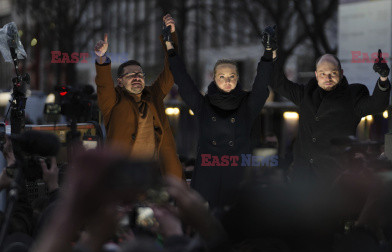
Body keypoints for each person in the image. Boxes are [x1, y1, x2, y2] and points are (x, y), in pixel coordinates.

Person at [163, 17, 275, 209]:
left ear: (238, 78)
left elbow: (261, 84)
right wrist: (170, 48)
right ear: (214, 78)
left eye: (232, 76)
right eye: (222, 76)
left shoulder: (248, 105)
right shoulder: (202, 105)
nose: (227, 80)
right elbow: (183, 80)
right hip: (208, 179)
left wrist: (268, 53)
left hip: (238, 178)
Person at [272, 48, 391, 182]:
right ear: (316, 75)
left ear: (341, 73)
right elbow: (278, 83)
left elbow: (378, 104)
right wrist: (272, 52)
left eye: (332, 73)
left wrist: (383, 78)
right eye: (323, 74)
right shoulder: (306, 94)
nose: (327, 78)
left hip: (333, 178)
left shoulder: (352, 97)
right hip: (302, 177)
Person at [93, 17, 182, 178]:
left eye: (140, 74)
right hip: (126, 179)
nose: (137, 77)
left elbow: (171, 72)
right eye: (131, 75)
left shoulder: (153, 94)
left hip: (159, 177)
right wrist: (101, 59)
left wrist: (170, 38)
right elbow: (104, 85)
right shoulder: (113, 102)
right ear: (119, 81)